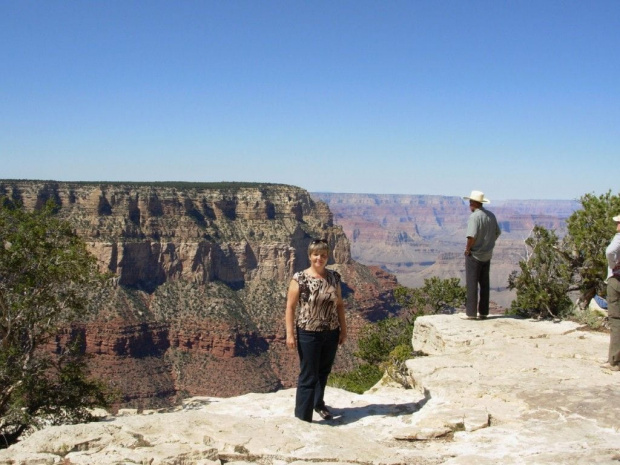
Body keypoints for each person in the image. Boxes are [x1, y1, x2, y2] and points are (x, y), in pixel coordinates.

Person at [285, 238, 347, 422]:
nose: (319, 258)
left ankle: (318, 404)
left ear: (328, 257)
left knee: (323, 371)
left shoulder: (334, 277)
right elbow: (290, 307)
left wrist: (343, 330)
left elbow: (340, 305)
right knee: (308, 375)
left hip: (331, 331)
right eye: (316, 254)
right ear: (310, 256)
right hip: (308, 332)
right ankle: (303, 417)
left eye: (323, 255)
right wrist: (289, 334)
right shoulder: (300, 278)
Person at [462, 190, 501, 320]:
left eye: (470, 202)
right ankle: (484, 312)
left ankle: (471, 314)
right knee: (484, 283)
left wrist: (468, 249)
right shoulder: (491, 215)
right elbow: (497, 232)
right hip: (487, 254)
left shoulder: (474, 217)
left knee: (472, 283)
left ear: (474, 203)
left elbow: (471, 236)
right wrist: (488, 243)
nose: (469, 205)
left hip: (475, 255)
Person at [602, 214, 620, 371]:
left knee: (616, 320)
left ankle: (615, 361)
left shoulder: (619, 238)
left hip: (617, 280)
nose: (617, 226)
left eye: (619, 223)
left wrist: (614, 265)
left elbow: (610, 251)